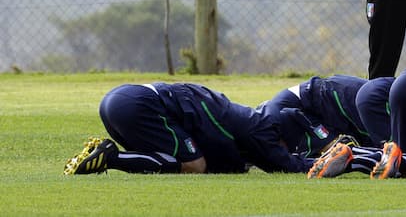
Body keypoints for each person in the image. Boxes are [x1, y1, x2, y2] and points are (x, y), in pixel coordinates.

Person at [63, 82, 314, 175]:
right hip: (140, 103)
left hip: (119, 99)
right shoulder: (260, 128)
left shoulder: (242, 117)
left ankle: (106, 155)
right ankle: (111, 157)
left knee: (170, 160)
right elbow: (283, 162)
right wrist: (321, 162)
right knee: (195, 165)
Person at [261, 74, 375, 157]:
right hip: (329, 95)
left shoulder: (273, 117)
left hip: (331, 94)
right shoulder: (273, 116)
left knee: (376, 144)